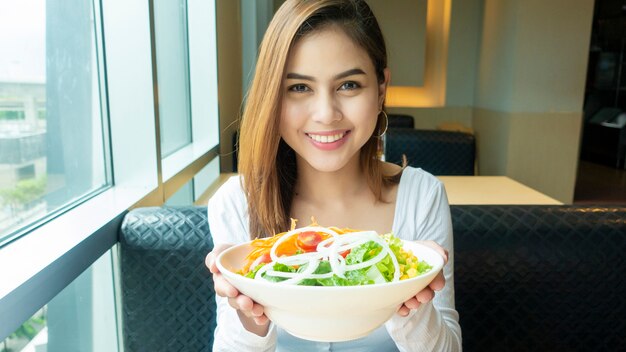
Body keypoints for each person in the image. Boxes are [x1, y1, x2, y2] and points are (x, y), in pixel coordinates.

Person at [205, 0, 461, 350]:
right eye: (299, 88)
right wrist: (249, 319)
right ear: (272, 96)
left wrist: (411, 305)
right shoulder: (237, 203)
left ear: (381, 87)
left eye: (349, 85)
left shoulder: (422, 196)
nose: (326, 114)